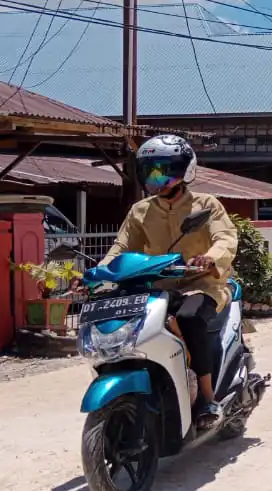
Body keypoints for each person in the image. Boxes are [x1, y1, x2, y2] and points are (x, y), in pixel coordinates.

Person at [101, 134, 239, 428]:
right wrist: (97, 273)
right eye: (150, 170)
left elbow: (225, 237)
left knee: (188, 317)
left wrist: (210, 257)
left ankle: (207, 398)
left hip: (202, 284)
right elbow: (121, 248)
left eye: (163, 168)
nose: (156, 177)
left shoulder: (206, 204)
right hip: (156, 289)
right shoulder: (140, 211)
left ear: (184, 169)